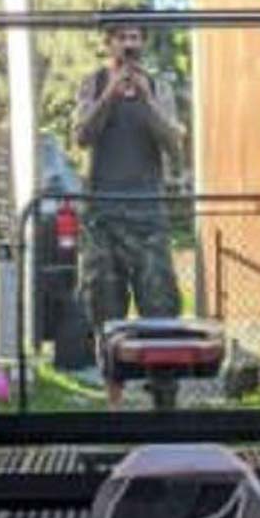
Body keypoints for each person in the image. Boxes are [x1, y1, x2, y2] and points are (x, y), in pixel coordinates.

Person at [74, 22, 186, 408]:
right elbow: (82, 135)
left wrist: (145, 99)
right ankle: (114, 402)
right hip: (103, 216)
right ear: (109, 44)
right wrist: (110, 93)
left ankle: (164, 399)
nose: (130, 44)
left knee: (161, 307)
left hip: (147, 215)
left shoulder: (159, 87)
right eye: (122, 37)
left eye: (135, 37)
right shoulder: (92, 83)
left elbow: (173, 142)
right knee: (106, 307)